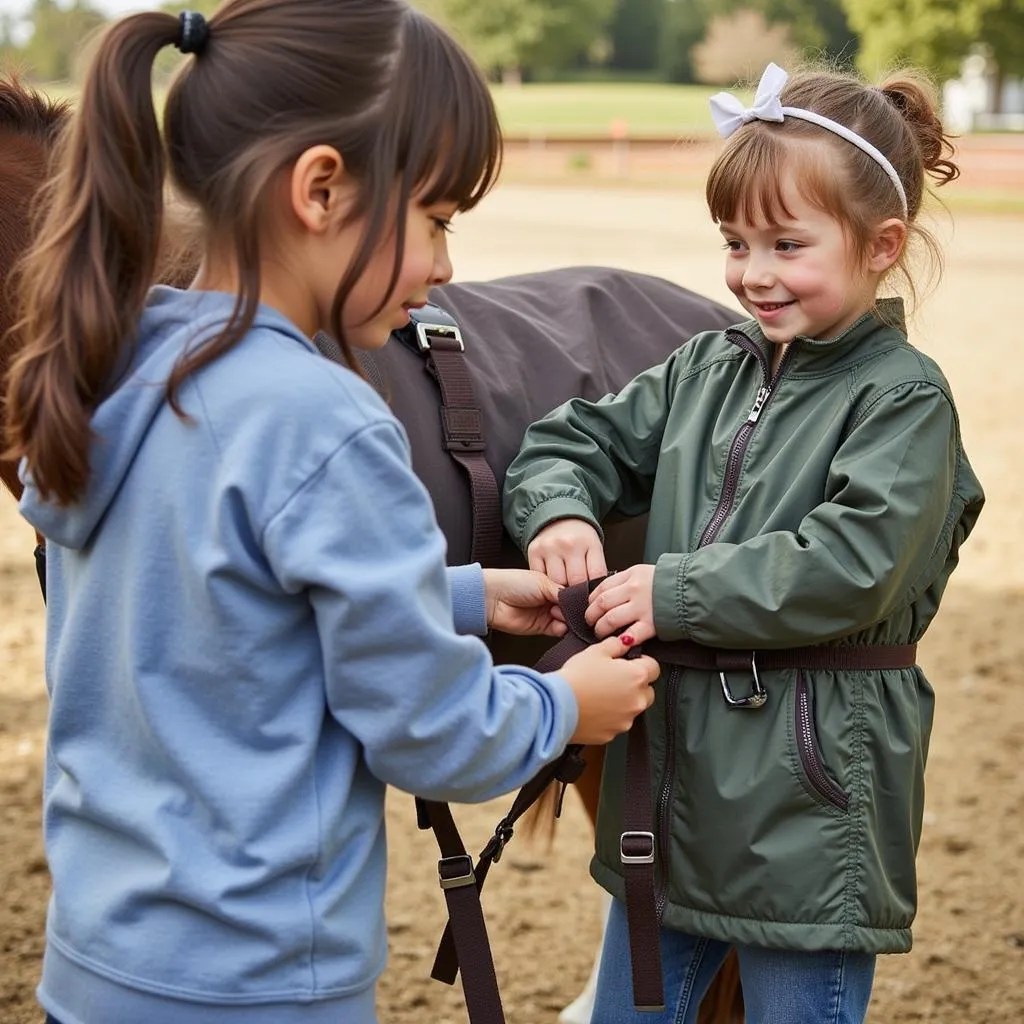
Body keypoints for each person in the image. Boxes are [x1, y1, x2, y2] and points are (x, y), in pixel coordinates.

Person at [2, 4, 662, 1024]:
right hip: (265, 987)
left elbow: (209, 605)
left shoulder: (114, 382)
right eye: (437, 219)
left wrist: (456, 592)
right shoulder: (326, 423)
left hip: (97, 972)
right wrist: (568, 704)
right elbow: (430, 732)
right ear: (318, 190)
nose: (446, 265)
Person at [503, 62, 985, 1024]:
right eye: (735, 243)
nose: (753, 273)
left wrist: (670, 593)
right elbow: (572, 438)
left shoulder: (903, 400)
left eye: (786, 244)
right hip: (676, 796)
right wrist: (559, 509)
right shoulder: (706, 367)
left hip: (810, 805)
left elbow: (851, 565)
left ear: (882, 245)